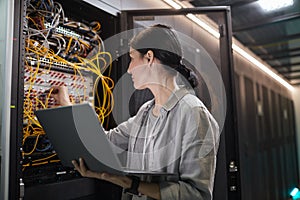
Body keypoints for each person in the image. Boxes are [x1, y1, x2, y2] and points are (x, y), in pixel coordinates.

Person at [51, 24, 219, 200]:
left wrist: (132, 184)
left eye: (132, 58)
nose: (129, 69)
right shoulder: (145, 112)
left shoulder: (193, 114)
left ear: (149, 58)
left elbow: (197, 195)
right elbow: (105, 144)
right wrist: (66, 103)